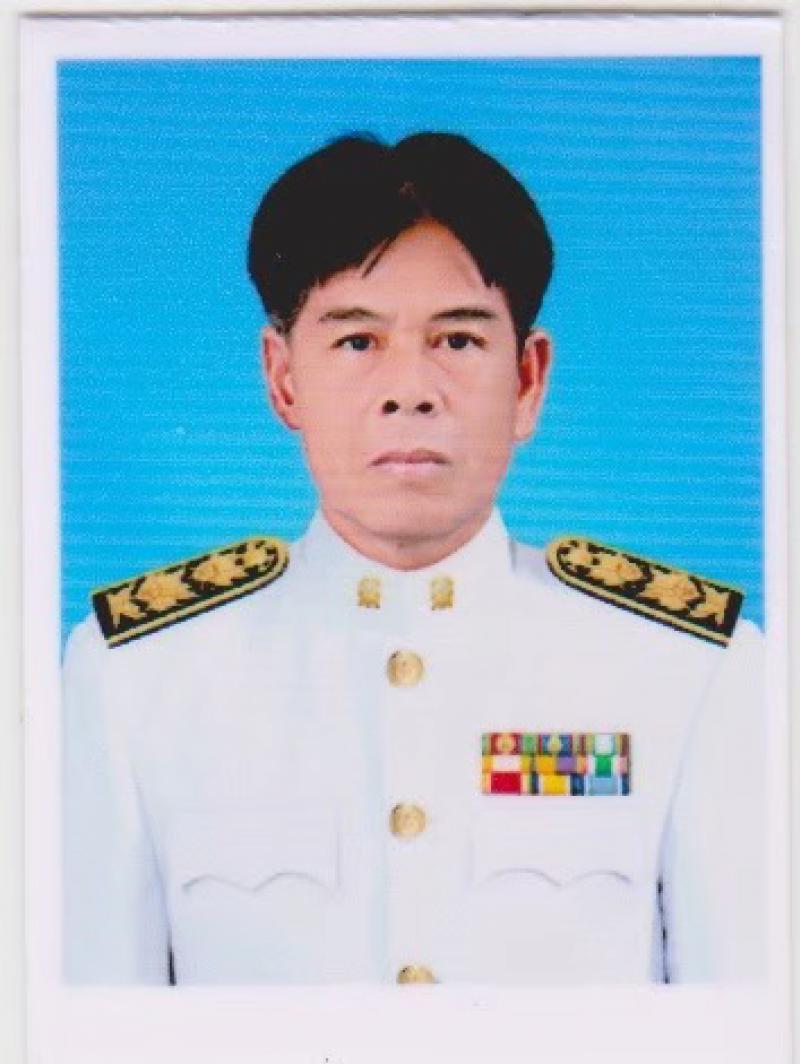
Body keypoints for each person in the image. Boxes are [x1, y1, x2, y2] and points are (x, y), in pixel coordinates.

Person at [63, 132, 765, 986]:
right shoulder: (139, 676)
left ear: (528, 380)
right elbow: (94, 1029)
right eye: (357, 342)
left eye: (458, 341)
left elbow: (745, 1026)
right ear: (283, 379)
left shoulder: (686, 670)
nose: (410, 390)